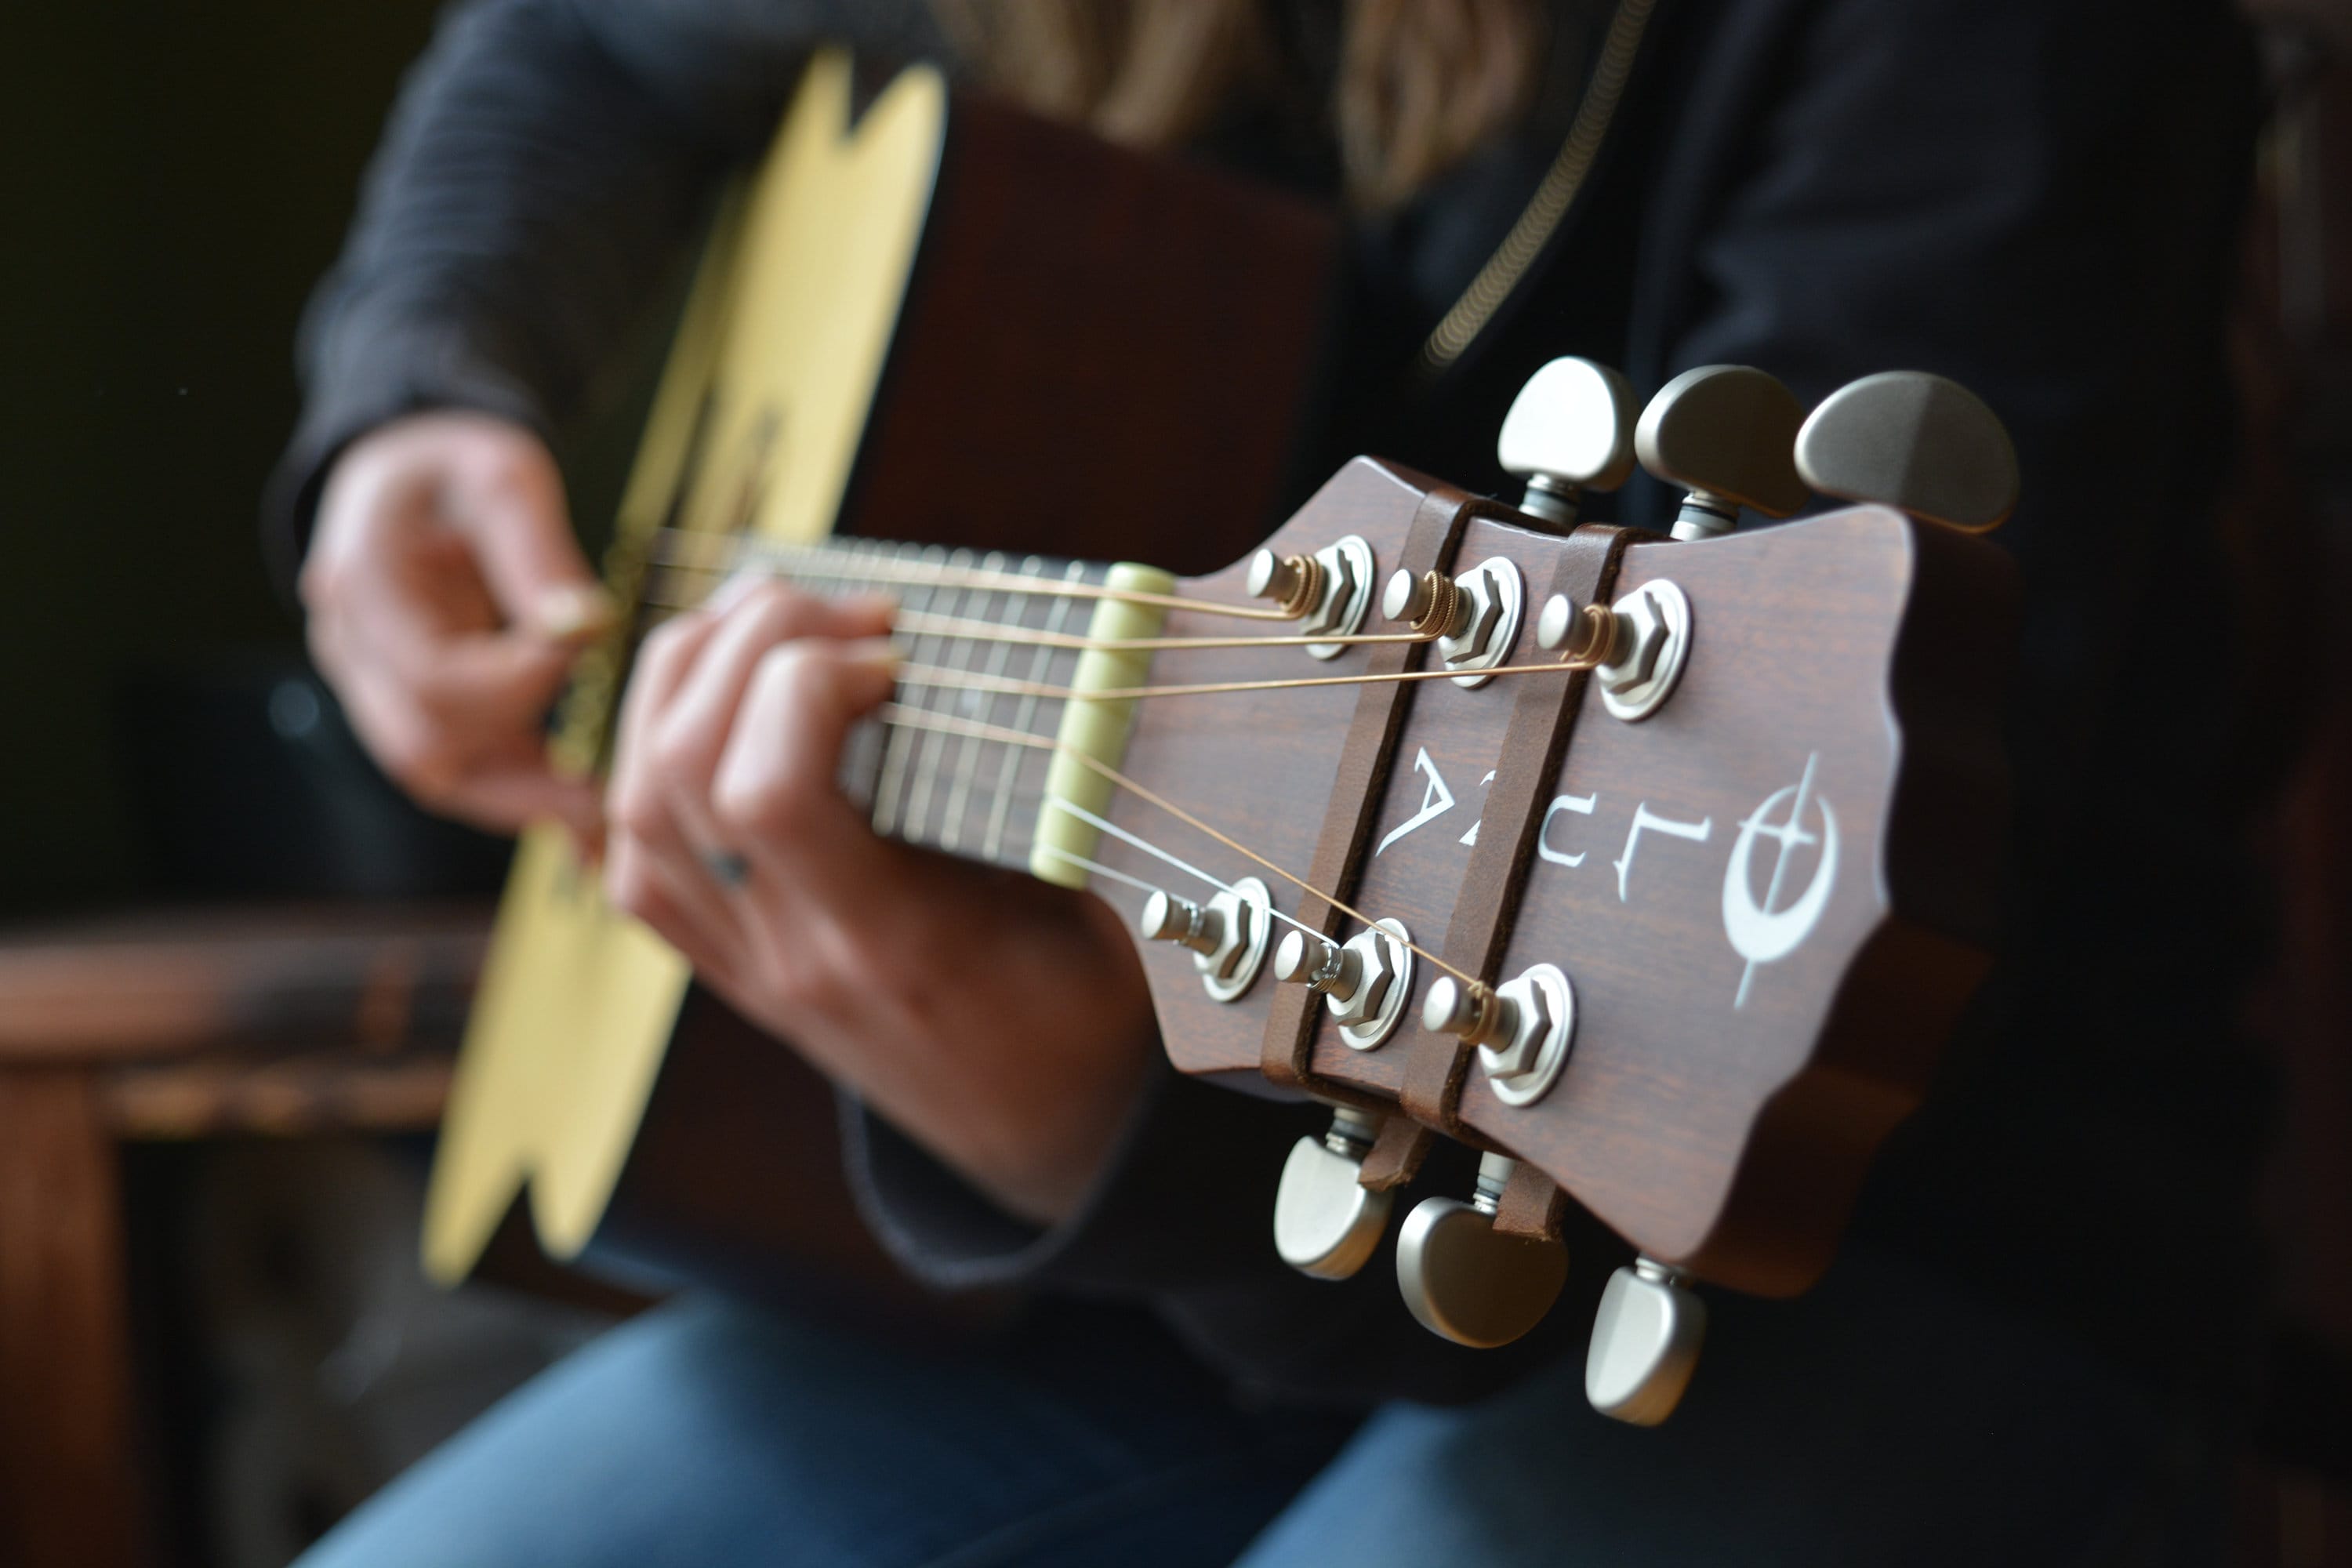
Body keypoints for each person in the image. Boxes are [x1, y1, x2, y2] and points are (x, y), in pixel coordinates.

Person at [275, 1, 2271, 1562]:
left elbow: (1699, 939)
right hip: (1129, 1292)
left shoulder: (1980, 46)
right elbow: (579, 42)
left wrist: (1080, 1107)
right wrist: (421, 393)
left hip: (1888, 1279)